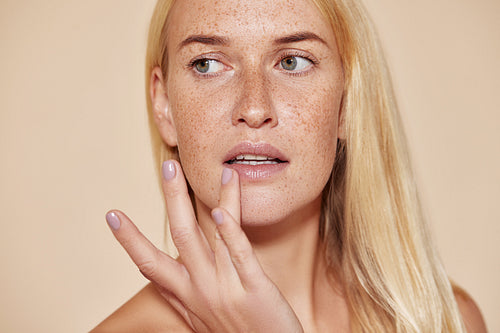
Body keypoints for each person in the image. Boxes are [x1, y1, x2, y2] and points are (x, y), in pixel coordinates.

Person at [91, 0, 487, 331]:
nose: (254, 108)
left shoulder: (446, 321)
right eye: (207, 64)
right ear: (164, 107)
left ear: (347, 103)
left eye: (293, 62)